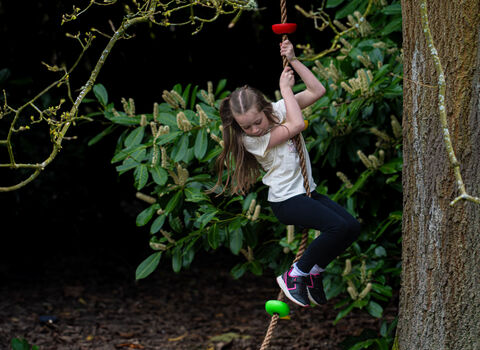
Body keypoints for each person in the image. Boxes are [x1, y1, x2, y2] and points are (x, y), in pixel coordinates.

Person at [212, 40, 361, 307]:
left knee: (351, 227)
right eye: (247, 127)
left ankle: (314, 272)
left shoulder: (279, 109)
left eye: (258, 122)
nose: (255, 129)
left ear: (265, 109)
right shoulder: (251, 142)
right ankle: (295, 274)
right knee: (336, 227)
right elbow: (296, 124)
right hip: (286, 201)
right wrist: (285, 89)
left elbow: (318, 90)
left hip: (305, 193)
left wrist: (293, 60)